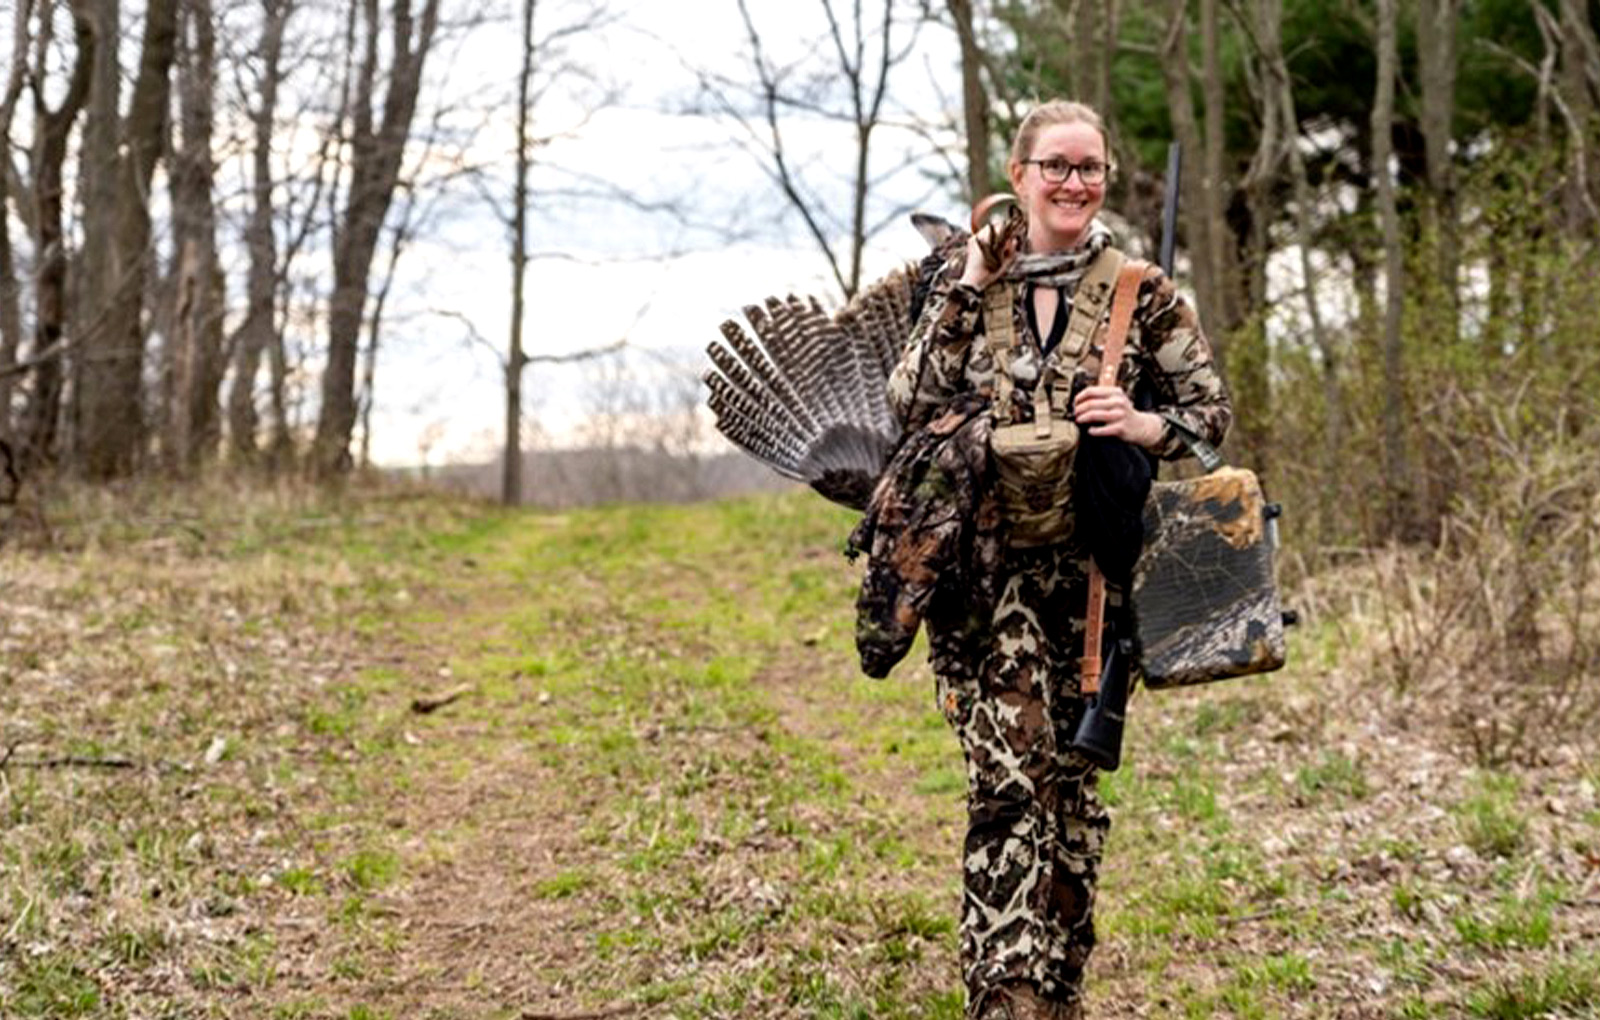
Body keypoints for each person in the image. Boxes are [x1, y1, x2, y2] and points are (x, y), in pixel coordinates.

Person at [881, 100, 1232, 1019]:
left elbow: (1210, 421)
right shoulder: (965, 279)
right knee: (1006, 786)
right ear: (1020, 172)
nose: (1076, 183)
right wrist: (964, 281)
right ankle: (1005, 1000)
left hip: (1094, 583)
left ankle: (1061, 988)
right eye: (1057, 167)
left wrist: (1142, 422)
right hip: (982, 577)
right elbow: (907, 396)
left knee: (1073, 797)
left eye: (1091, 167)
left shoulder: (1140, 291)